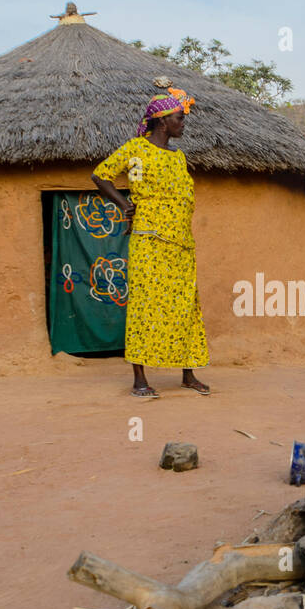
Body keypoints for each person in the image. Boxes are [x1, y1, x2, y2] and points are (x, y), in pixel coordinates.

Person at [91, 90, 211, 397]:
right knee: (145, 306)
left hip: (181, 243)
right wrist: (122, 203)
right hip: (149, 240)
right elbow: (102, 175)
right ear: (162, 120)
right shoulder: (136, 151)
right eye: (179, 118)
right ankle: (140, 379)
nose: (184, 123)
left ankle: (188, 373)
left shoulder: (179, 156)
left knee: (184, 305)